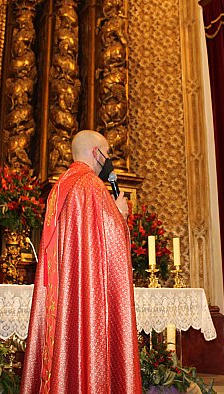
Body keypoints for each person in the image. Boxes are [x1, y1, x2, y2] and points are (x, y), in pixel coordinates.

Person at [21, 130, 141, 394]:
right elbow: (112, 248)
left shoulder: (60, 185)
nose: (108, 159)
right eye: (107, 153)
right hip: (87, 294)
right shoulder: (92, 186)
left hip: (62, 290)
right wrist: (119, 215)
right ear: (97, 153)